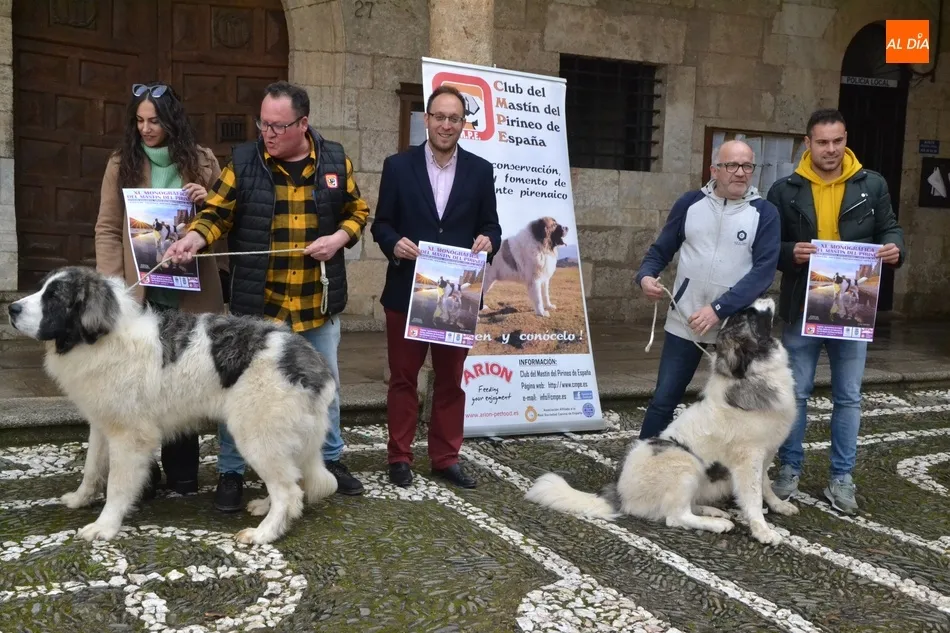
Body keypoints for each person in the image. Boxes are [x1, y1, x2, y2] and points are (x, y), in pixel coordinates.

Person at [164, 81, 371, 510]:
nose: (268, 133)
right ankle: (231, 471)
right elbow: (216, 213)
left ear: (303, 124)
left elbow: (358, 211)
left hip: (315, 303)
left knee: (324, 385)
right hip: (258, 307)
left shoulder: (335, 160)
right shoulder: (243, 161)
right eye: (263, 124)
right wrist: (194, 240)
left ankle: (330, 461)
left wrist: (338, 239)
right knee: (239, 390)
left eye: (277, 126)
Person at [767, 108, 905, 515]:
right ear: (807, 143)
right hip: (802, 306)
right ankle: (789, 469)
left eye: (838, 141)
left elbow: (890, 228)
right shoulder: (785, 189)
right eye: (823, 142)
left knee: (848, 397)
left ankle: (842, 477)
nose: (831, 149)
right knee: (796, 393)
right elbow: (766, 246)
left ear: (846, 140)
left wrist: (896, 248)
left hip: (854, 311)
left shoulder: (871, 184)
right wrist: (788, 252)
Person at [94, 81, 227, 498]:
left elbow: (227, 222)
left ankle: (183, 470)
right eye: (139, 121)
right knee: (136, 387)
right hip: (140, 298)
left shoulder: (203, 161)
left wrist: (207, 200)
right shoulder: (121, 162)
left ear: (172, 121)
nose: (146, 129)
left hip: (190, 295)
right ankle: (142, 472)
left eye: (154, 121)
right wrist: (113, 287)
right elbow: (107, 228)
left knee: (181, 383)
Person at [370, 85, 501, 489]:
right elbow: (381, 224)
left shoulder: (480, 171)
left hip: (457, 293)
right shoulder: (398, 166)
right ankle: (399, 456)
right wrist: (394, 243)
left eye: (454, 118)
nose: (446, 125)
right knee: (403, 379)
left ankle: (445, 457)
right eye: (439, 117)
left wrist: (490, 240)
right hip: (408, 290)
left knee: (450, 380)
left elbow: (491, 225)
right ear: (426, 120)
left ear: (464, 124)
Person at [634, 140, 781, 439]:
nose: (740, 172)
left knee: (738, 406)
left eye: (747, 166)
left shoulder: (765, 213)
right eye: (732, 165)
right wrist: (646, 276)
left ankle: (728, 465)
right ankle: (644, 460)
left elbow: (763, 273)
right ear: (714, 170)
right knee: (663, 400)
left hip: (736, 326)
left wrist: (718, 309)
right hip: (686, 321)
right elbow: (661, 250)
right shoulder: (689, 204)